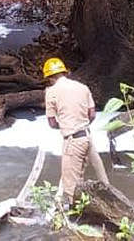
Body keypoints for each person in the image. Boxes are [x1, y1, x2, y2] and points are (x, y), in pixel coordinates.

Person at [43, 57, 97, 206]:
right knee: (80, 179)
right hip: (86, 138)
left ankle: (76, 220)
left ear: (50, 77)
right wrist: (80, 124)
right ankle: (86, 210)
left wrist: (66, 126)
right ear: (64, 72)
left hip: (72, 141)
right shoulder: (82, 87)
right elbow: (92, 115)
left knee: (71, 186)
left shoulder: (51, 92)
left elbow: (52, 122)